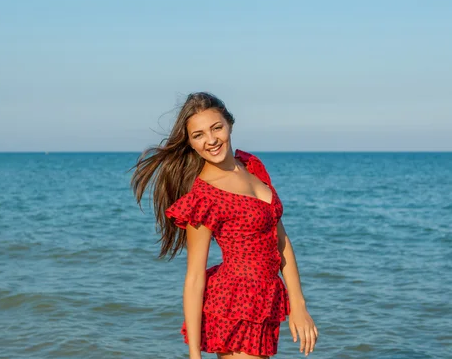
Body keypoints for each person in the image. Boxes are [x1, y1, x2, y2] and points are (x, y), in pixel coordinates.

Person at [131, 92, 317, 358]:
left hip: (266, 300)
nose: (211, 140)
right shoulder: (205, 196)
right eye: (198, 135)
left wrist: (298, 304)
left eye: (216, 128)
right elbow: (195, 277)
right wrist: (194, 355)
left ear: (229, 124)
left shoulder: (253, 166)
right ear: (191, 144)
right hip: (234, 304)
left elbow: (280, 240)